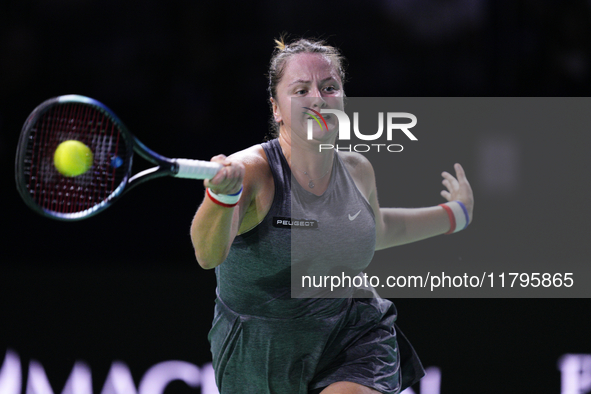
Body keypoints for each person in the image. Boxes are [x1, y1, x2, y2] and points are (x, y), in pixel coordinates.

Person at [190, 37, 474, 394]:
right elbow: (208, 254)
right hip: (259, 351)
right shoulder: (253, 173)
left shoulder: (357, 170)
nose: (318, 98)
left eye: (329, 87)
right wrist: (221, 197)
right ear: (276, 108)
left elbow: (378, 228)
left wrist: (456, 215)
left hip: (351, 334)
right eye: (301, 89)